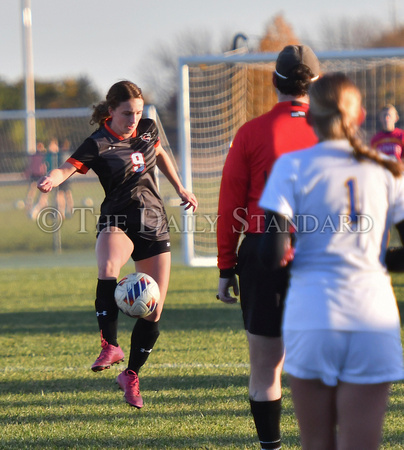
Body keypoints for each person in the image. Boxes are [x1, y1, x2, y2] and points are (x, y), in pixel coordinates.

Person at [259, 72, 404, 449]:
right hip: (373, 313)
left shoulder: (291, 166)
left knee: (316, 444)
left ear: (310, 117)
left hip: (313, 311)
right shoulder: (389, 171)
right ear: (359, 116)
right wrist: (372, 258)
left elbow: (271, 253)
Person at [37, 80, 198, 409]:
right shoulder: (98, 143)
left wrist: (181, 187)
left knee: (153, 311)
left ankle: (131, 375)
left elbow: (161, 154)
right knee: (108, 268)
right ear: (111, 111)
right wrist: (53, 178)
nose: (134, 119)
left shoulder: (148, 129)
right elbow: (67, 167)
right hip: (118, 221)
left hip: (154, 224)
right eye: (127, 113)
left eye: (138, 112)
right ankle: (110, 345)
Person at [216, 45, 320, 450]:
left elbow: (230, 205)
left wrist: (226, 267)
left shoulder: (250, 132)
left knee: (265, 368)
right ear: (314, 83)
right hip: (321, 249)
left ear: (274, 83)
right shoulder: (337, 131)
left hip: (263, 249)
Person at [25, 142, 49, 219]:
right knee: (36, 189)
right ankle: (31, 202)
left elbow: (30, 164)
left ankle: (32, 202)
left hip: (36, 174)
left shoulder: (34, 155)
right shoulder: (42, 156)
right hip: (39, 174)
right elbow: (43, 165)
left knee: (33, 189)